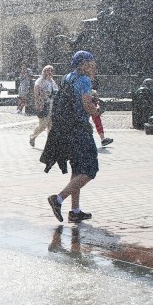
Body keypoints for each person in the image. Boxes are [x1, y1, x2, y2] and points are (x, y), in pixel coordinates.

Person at [45, 50, 100, 224]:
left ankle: (75, 211)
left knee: (77, 169)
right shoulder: (84, 80)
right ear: (83, 64)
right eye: (91, 64)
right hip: (80, 130)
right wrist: (97, 110)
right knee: (90, 170)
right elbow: (86, 105)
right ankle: (58, 199)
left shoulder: (68, 77)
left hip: (68, 130)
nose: (93, 67)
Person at [29, 65, 58, 148]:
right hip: (44, 104)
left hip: (52, 104)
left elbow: (56, 91)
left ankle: (50, 143)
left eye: (51, 70)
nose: (49, 72)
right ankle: (33, 136)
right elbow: (36, 94)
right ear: (44, 71)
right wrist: (38, 104)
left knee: (51, 125)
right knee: (43, 124)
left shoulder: (52, 81)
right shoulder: (40, 81)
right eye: (47, 70)